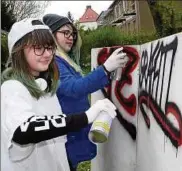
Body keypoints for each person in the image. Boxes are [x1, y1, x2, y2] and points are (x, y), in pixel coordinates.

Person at [1, 18, 117, 171]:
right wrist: (86, 116)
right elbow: (23, 131)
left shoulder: (46, 87)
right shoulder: (12, 88)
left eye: (50, 47)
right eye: (38, 48)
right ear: (18, 51)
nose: (47, 54)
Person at [43, 14, 129, 170]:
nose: (71, 37)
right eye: (65, 33)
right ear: (51, 34)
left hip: (70, 133)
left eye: (73, 34)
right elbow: (74, 88)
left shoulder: (63, 60)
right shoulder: (53, 62)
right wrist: (105, 69)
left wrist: (106, 72)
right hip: (65, 136)